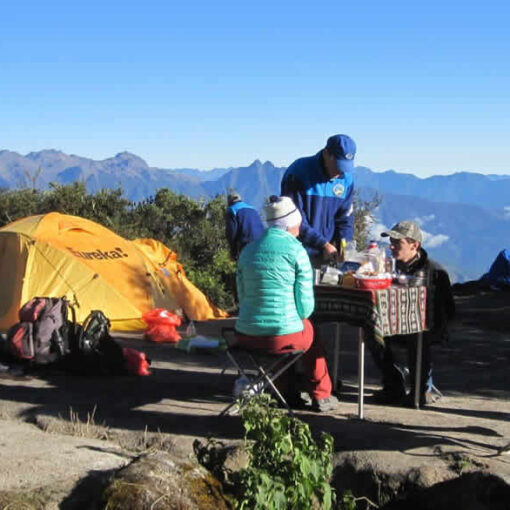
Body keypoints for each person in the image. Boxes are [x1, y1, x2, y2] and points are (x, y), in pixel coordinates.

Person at [234, 195, 338, 412]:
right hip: (280, 339)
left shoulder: (247, 252)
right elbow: (305, 309)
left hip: (245, 335)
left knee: (285, 327)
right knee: (305, 330)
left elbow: (242, 298)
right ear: (292, 223)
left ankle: (285, 392)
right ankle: (322, 394)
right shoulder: (296, 252)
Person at [371, 220, 455, 406]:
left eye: (397, 243)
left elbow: (449, 308)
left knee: (417, 335)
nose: (392, 246)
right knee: (371, 333)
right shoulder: (387, 267)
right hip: (393, 322)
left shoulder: (434, 271)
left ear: (414, 245)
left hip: (426, 325)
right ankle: (393, 386)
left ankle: (420, 390)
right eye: (391, 242)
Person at [281, 134, 357, 265]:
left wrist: (344, 246)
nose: (340, 172)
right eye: (337, 165)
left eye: (345, 167)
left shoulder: (346, 179)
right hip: (298, 253)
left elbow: (345, 218)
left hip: (327, 255)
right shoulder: (299, 172)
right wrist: (322, 244)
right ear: (326, 154)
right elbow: (293, 219)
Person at [224, 192, 264, 260]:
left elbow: (231, 232)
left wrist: (233, 252)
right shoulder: (253, 209)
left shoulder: (232, 210)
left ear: (229, 202)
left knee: (244, 266)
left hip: (246, 242)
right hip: (261, 241)